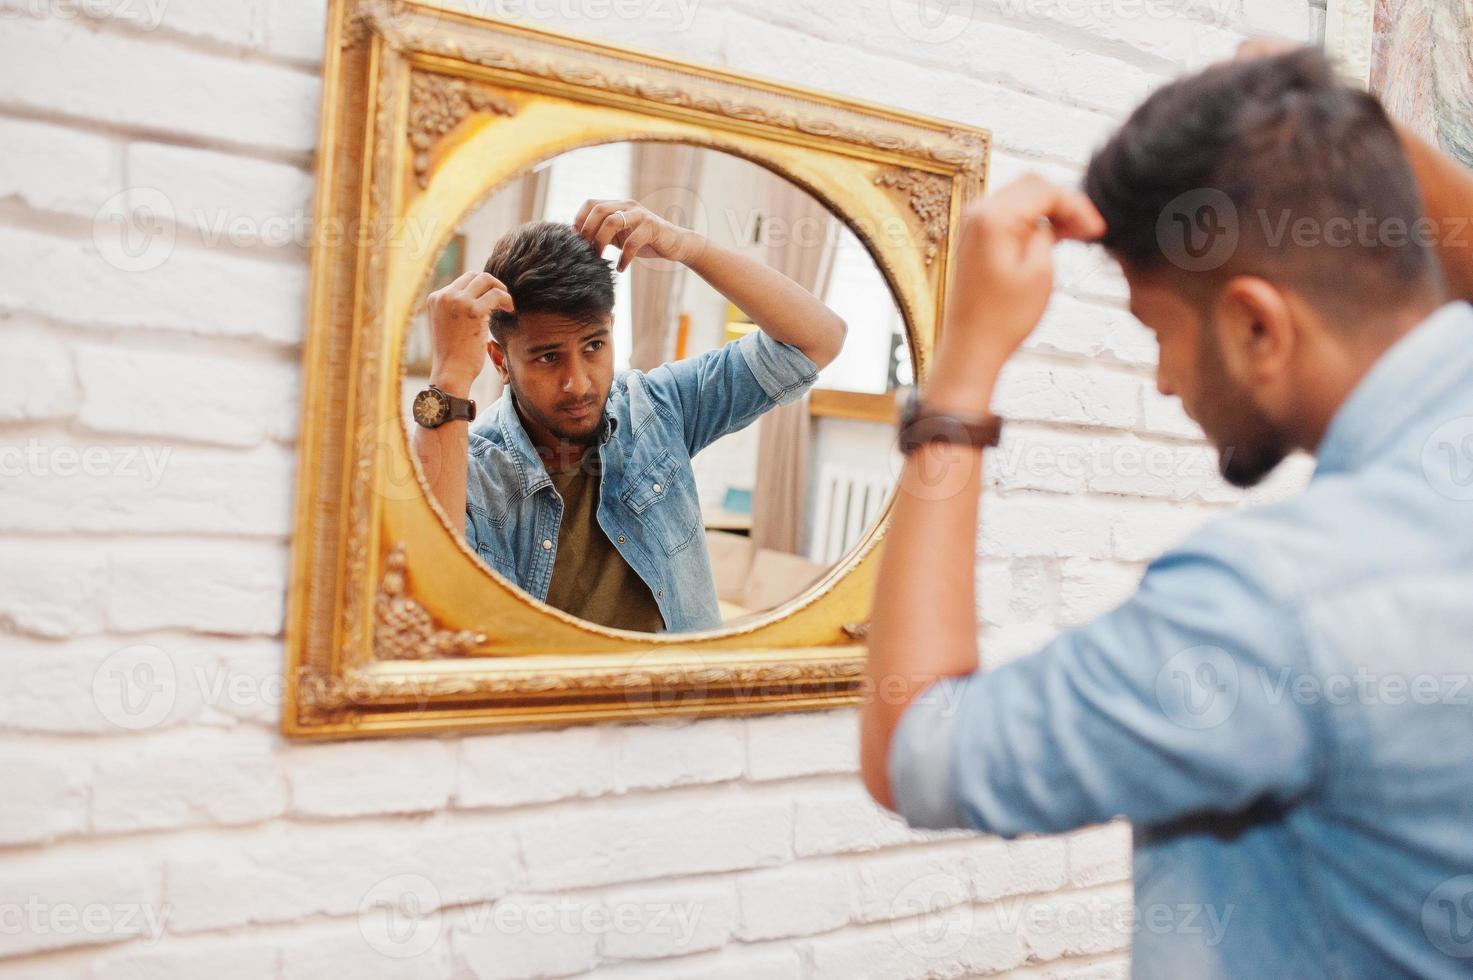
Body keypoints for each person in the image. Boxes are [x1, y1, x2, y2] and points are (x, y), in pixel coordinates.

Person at [861, 46, 1473, 978]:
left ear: (1255, 328)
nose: (1160, 379)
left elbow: (914, 749)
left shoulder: (1273, 607)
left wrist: (961, 372)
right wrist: (1325, 111)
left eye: (1158, 335)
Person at [410, 201, 846, 633]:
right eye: (547, 357)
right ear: (500, 361)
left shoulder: (659, 407)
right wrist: (448, 379)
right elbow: (433, 605)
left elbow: (818, 340)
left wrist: (688, 247)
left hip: (685, 698)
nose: (578, 383)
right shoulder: (474, 469)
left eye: (594, 347)